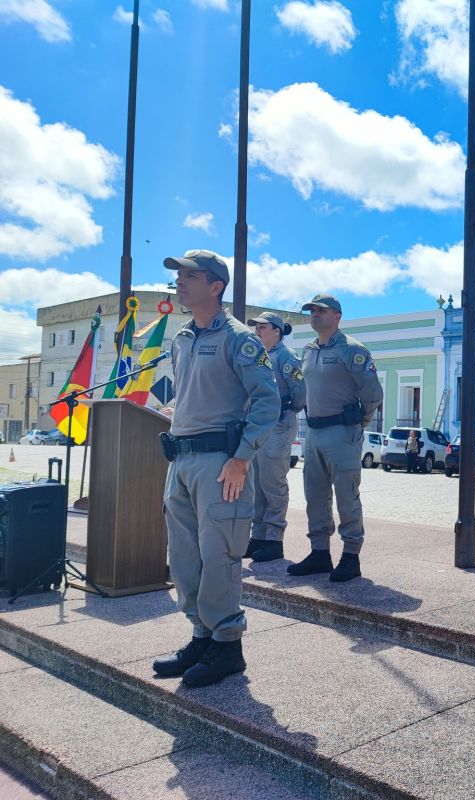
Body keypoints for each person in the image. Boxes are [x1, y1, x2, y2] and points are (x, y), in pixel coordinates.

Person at [152, 250, 279, 688]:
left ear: (216, 286)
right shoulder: (182, 338)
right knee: (184, 558)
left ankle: (228, 645)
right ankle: (202, 636)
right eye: (178, 276)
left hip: (221, 465)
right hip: (181, 460)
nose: (180, 282)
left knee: (220, 556)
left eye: (190, 275)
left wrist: (243, 457)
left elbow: (267, 401)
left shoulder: (239, 339)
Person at [287, 293, 383, 582]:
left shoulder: (353, 350)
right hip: (313, 432)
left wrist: (357, 424)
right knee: (315, 496)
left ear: (337, 317)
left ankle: (351, 556)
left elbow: (373, 394)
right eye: (312, 310)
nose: (314, 314)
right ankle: (320, 553)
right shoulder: (308, 350)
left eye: (321, 310)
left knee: (346, 497)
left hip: (342, 432)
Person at [243, 312, 305, 563]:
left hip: (278, 426)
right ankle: (258, 538)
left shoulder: (286, 357)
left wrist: (286, 409)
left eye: (262, 327)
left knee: (272, 484)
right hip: (257, 427)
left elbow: (301, 392)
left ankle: (274, 540)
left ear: (277, 331)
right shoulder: (257, 356)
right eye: (255, 327)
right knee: (256, 485)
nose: (257, 331)